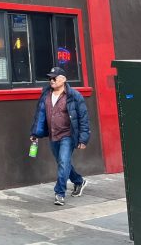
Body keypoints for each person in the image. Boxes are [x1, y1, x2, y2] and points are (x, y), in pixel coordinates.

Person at [29, 66, 90, 206]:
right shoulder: (45, 94)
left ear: (63, 79)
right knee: (63, 163)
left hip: (68, 135)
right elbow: (40, 115)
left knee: (63, 162)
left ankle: (59, 193)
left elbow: (83, 118)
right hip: (53, 135)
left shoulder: (74, 96)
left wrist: (83, 138)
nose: (51, 80)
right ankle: (79, 181)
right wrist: (35, 133)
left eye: (54, 78)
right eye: (50, 78)